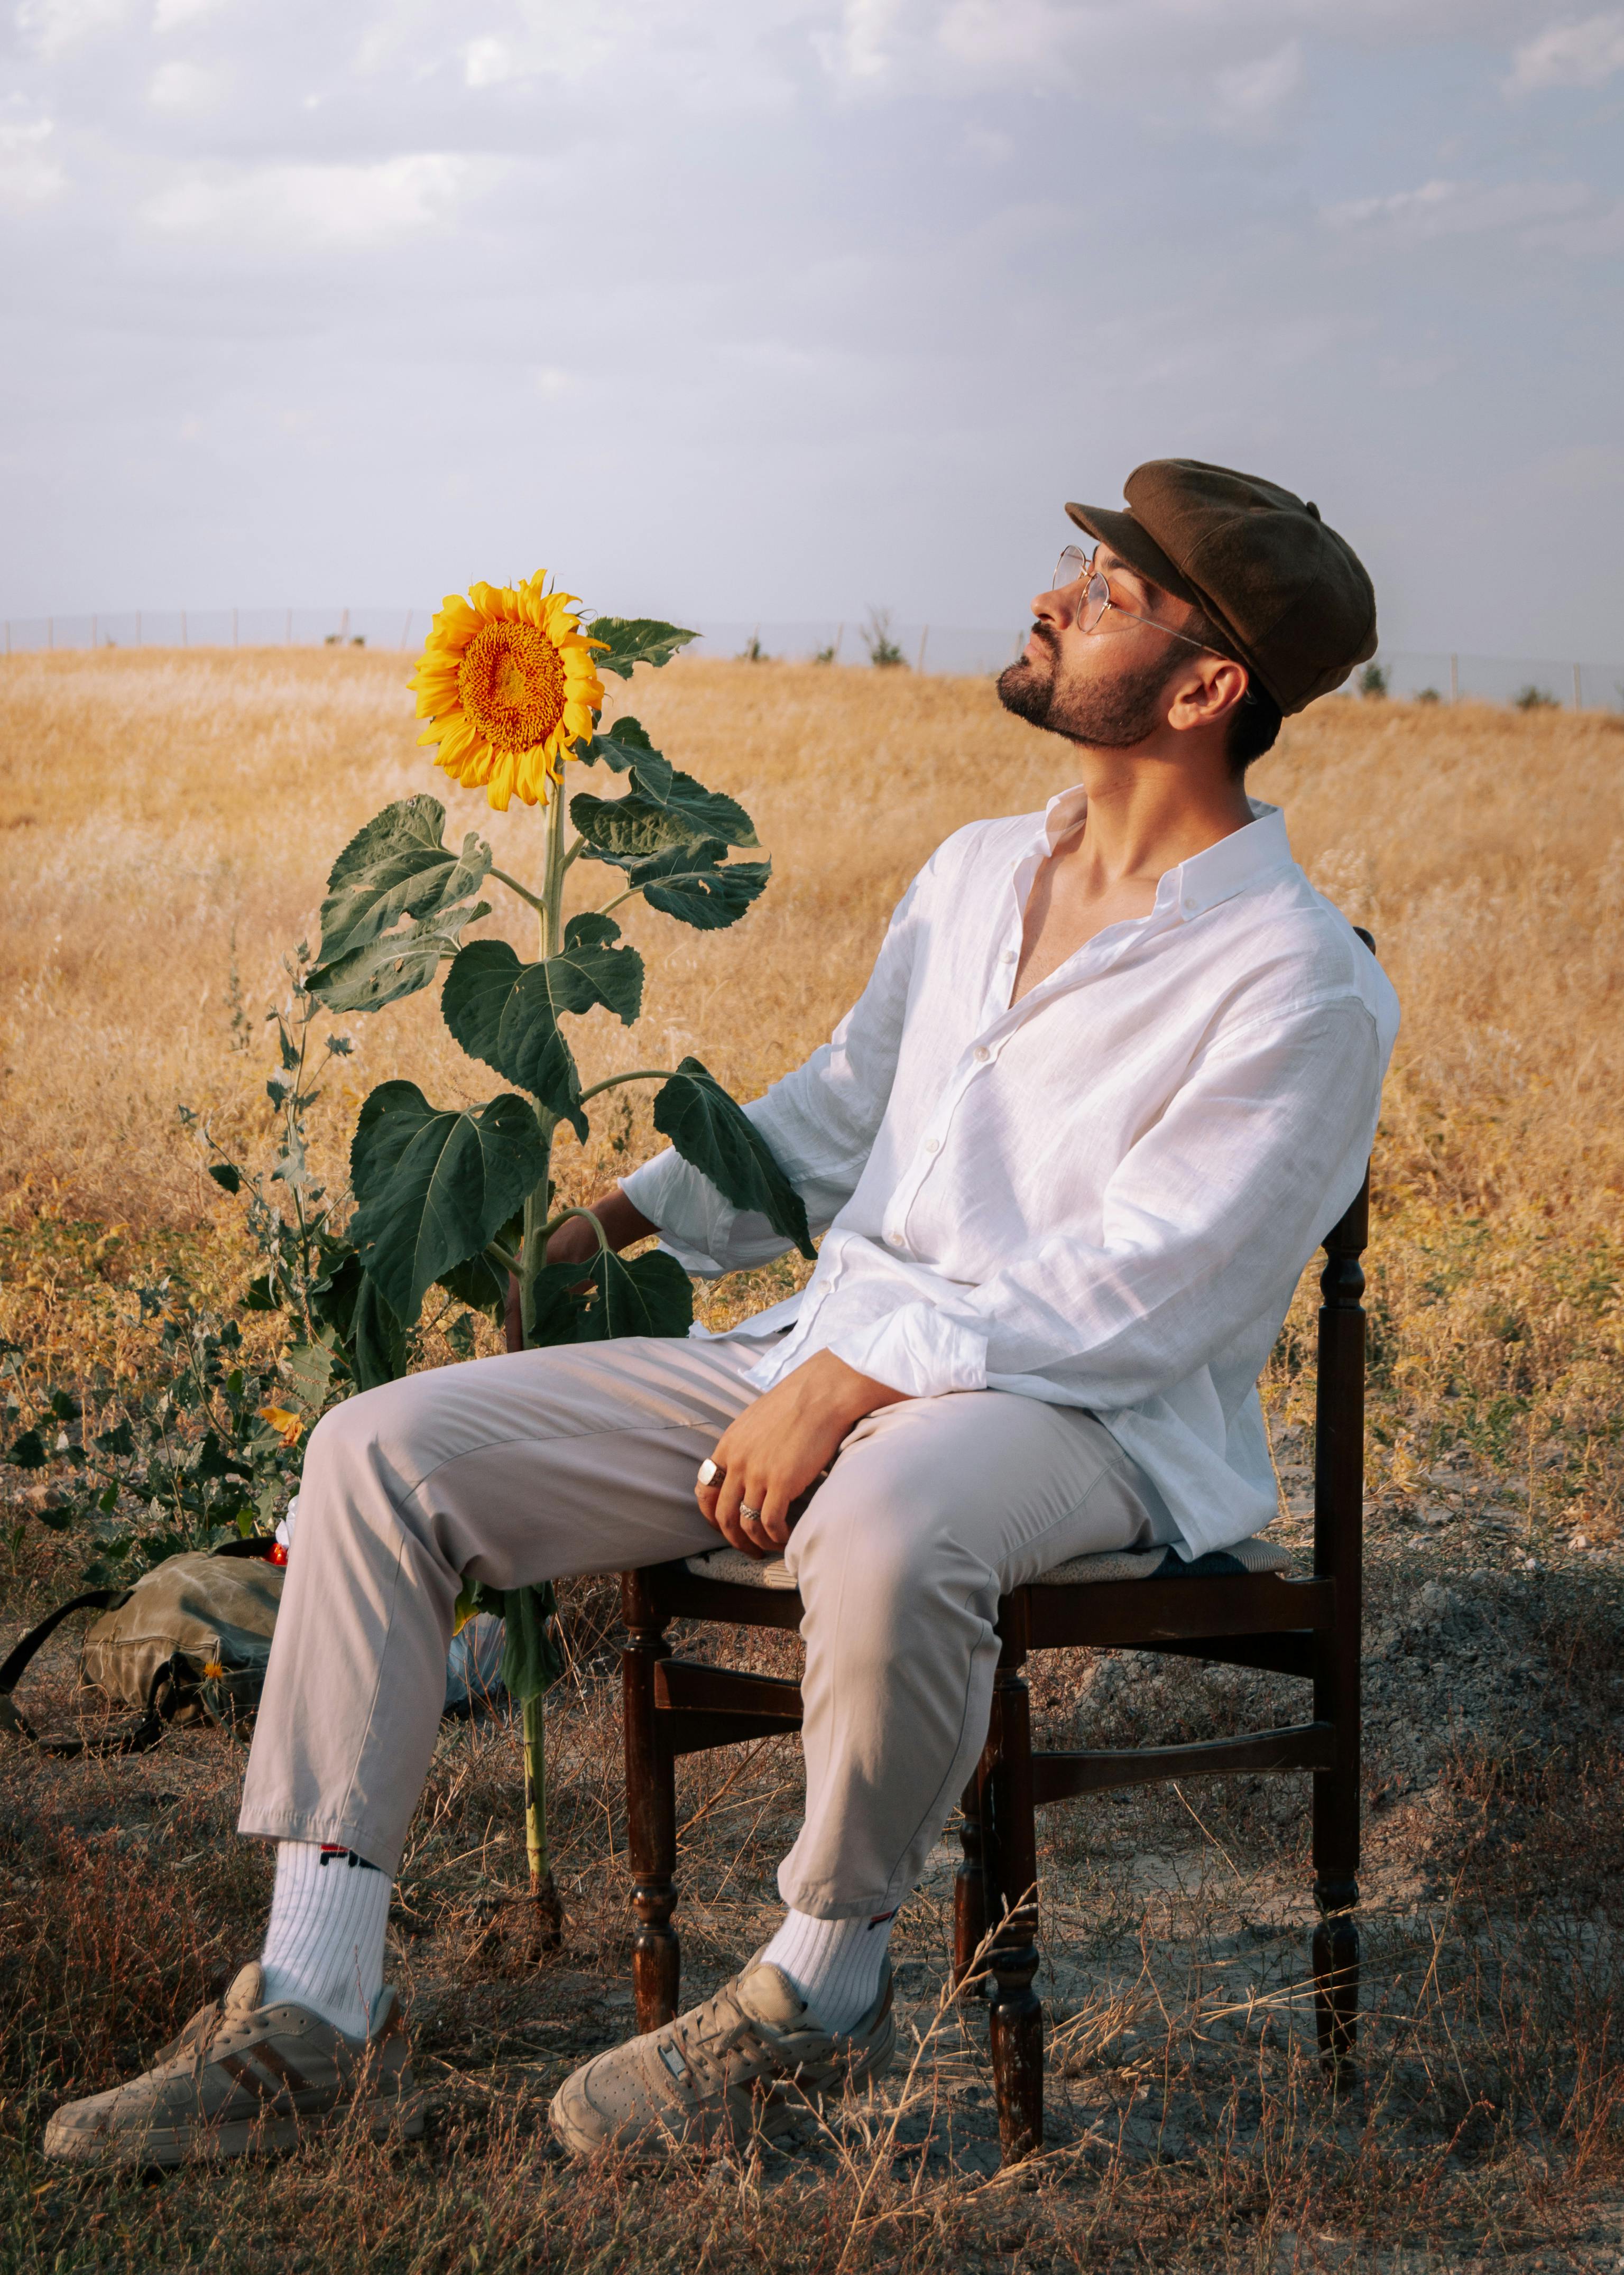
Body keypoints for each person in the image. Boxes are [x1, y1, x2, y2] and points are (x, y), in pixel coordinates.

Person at [44, 458, 1398, 2167]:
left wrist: (850, 1386)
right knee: (380, 1454)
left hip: (1081, 1423)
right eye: (1075, 568)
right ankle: (312, 2015)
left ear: (1209, 690)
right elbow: (829, 1121)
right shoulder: (977, 874)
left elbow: (1149, 1291)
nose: (1056, 599)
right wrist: (611, 1214)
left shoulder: (1302, 980)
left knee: (895, 1523)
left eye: (1109, 593)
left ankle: (814, 1995)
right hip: (809, 1356)